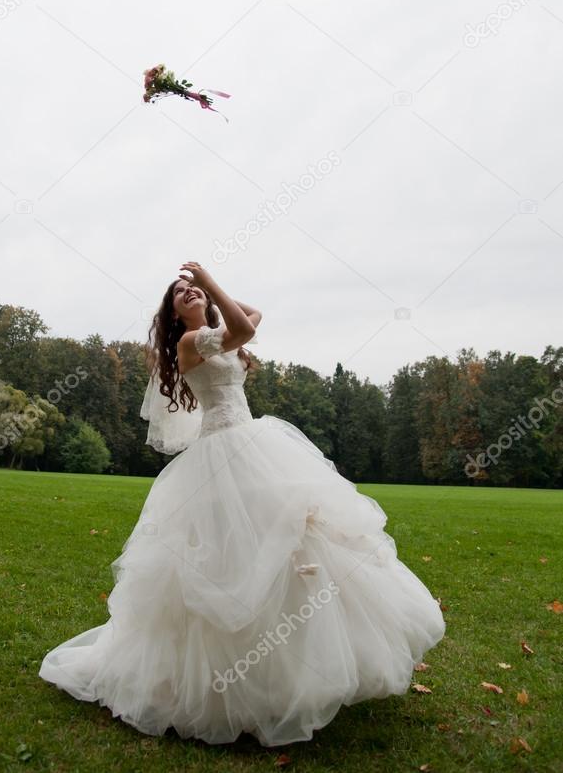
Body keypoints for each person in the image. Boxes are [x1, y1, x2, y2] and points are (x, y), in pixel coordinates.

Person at [39, 262, 445, 747]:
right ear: (170, 313)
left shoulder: (217, 331)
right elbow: (246, 325)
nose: (189, 293)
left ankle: (289, 677)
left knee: (292, 549)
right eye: (179, 293)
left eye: (192, 288)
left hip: (254, 449)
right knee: (233, 559)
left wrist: (210, 296)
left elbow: (252, 314)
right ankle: (230, 691)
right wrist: (207, 284)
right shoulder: (190, 344)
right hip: (219, 455)